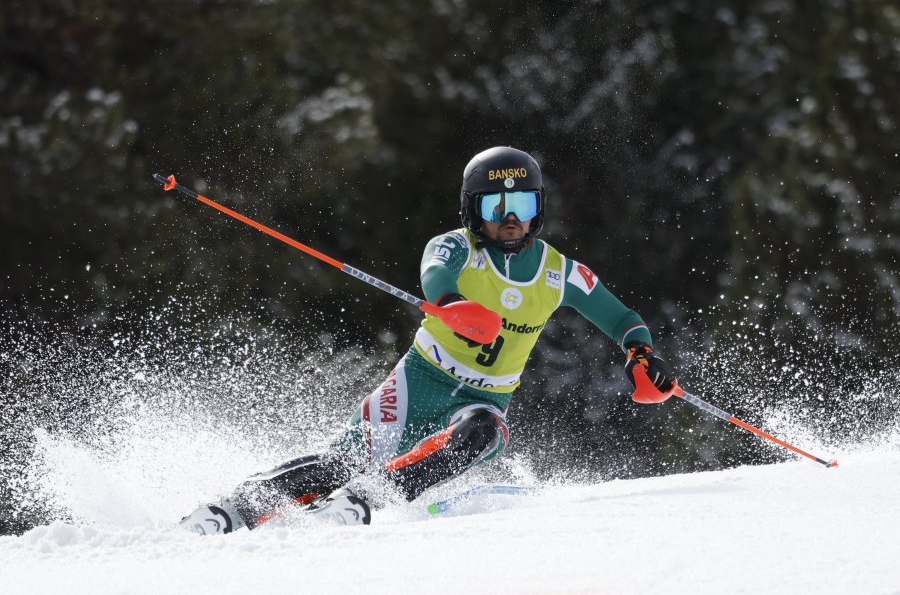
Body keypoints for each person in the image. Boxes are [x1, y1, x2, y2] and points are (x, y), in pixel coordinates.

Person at [180, 146, 677, 535]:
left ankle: (368, 500)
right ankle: (231, 510)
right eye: (495, 205)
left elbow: (622, 317)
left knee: (485, 432)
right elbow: (435, 273)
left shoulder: (556, 271)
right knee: (342, 463)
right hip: (420, 382)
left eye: (522, 205)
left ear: (537, 209)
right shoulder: (455, 246)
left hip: (482, 400)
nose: (510, 218)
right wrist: (454, 305)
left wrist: (641, 354)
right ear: (471, 209)